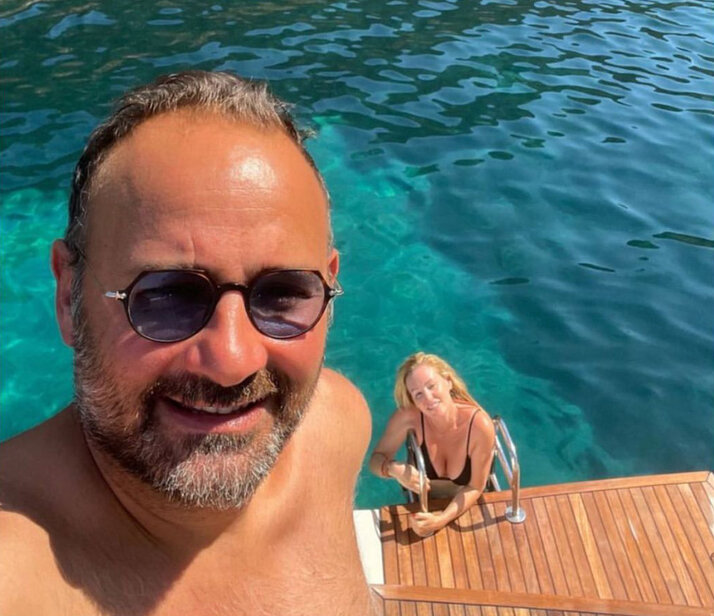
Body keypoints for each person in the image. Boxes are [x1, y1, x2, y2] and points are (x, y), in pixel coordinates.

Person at [0, 71, 374, 616]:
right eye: (167, 294)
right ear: (67, 298)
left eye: (283, 293)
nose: (232, 361)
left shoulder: (337, 426)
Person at [369, 352, 495, 538]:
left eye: (431, 386)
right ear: (413, 400)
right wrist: (393, 469)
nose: (427, 398)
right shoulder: (408, 418)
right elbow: (375, 461)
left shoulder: (479, 425)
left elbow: (475, 487)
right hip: (425, 505)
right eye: (418, 394)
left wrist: (440, 520)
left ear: (448, 381)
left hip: (469, 505)